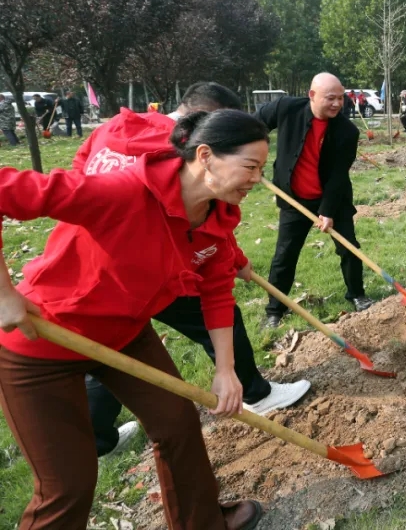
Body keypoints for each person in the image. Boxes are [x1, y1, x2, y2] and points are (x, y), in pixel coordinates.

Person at [0, 109, 268, 530]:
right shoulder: (119, 193)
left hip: (124, 334)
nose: (257, 179)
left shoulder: (217, 219)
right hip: (42, 345)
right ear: (206, 155)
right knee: (68, 485)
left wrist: (226, 369)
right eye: (250, 167)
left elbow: (216, 292)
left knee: (177, 424)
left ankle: (203, 523)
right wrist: (2, 291)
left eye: (262, 169)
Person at [73, 81, 311, 457]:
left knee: (110, 345)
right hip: (151, 269)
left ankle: (97, 437)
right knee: (211, 316)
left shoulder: (112, 128)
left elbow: (79, 168)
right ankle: (254, 392)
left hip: (111, 270)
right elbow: (193, 213)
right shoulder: (169, 155)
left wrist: (231, 257)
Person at [256, 73, 370, 328]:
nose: (337, 104)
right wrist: (254, 159)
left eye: (341, 98)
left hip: (333, 199)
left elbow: (339, 175)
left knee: (348, 247)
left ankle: (358, 295)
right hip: (293, 197)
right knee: (285, 254)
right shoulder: (286, 108)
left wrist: (328, 211)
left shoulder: (347, 131)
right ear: (312, 95)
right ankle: (275, 310)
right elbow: (254, 124)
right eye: (331, 98)